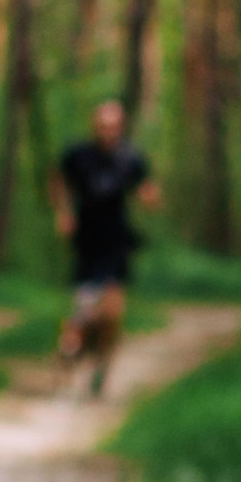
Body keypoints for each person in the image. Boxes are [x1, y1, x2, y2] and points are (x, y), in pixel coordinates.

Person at [52, 97, 159, 394]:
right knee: (82, 312)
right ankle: (70, 359)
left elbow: (147, 188)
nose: (107, 131)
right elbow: (58, 181)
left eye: (113, 126)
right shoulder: (77, 155)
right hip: (86, 242)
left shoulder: (131, 158)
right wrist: (63, 213)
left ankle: (102, 366)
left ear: (121, 128)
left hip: (117, 243)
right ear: (93, 126)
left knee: (112, 313)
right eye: (102, 126)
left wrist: (150, 198)